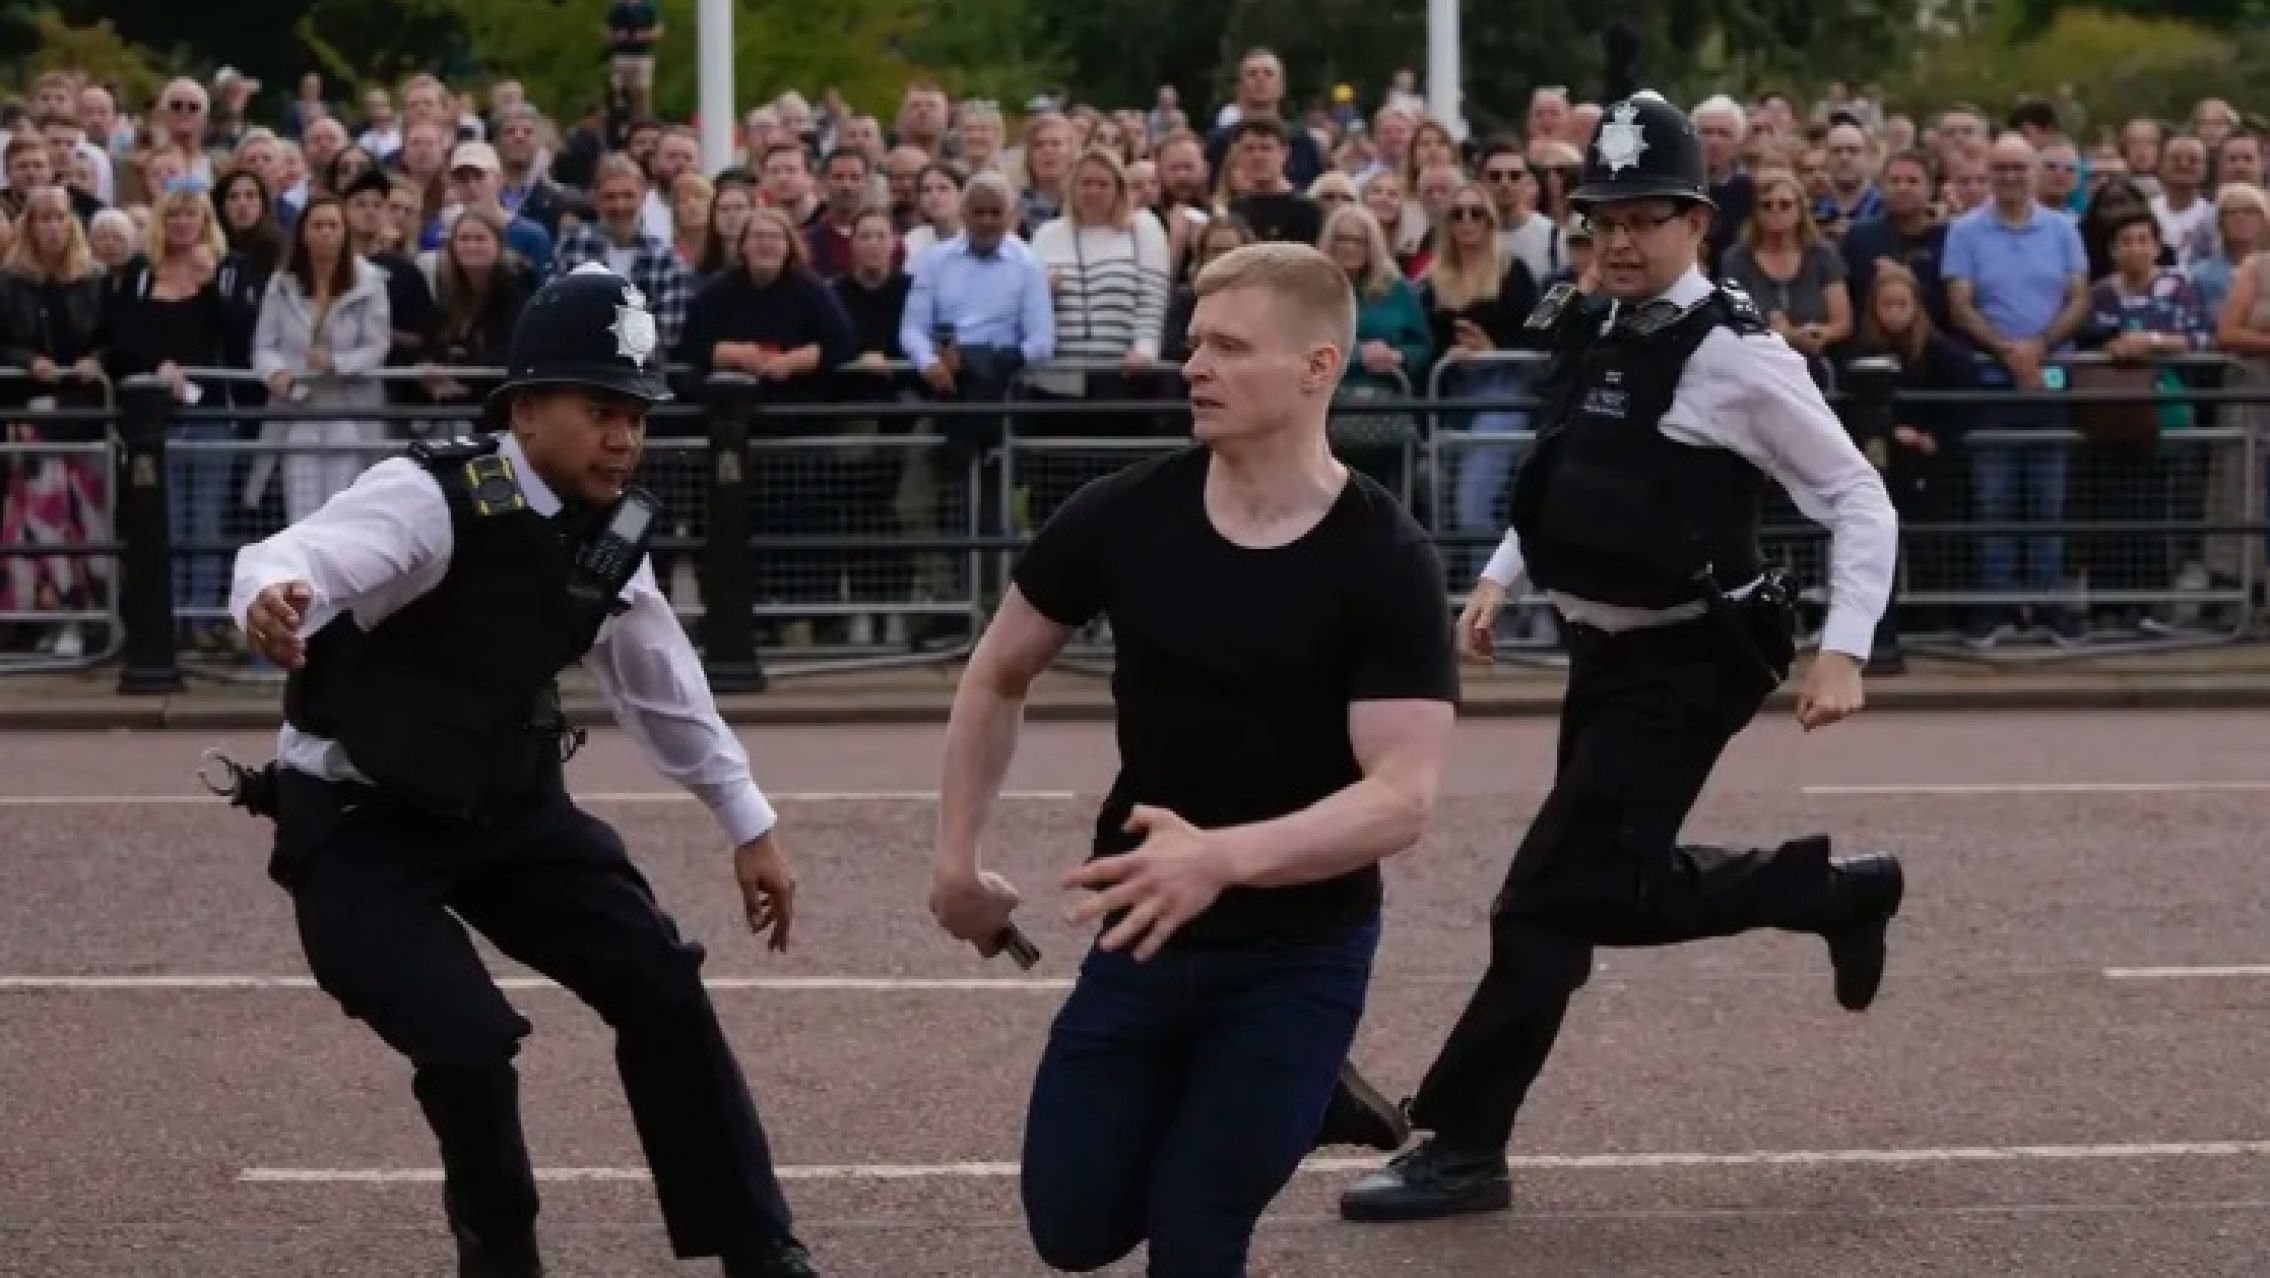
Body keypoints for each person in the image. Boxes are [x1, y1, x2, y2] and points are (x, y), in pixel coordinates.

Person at [1334, 91, 1908, 1224]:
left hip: (1686, 667)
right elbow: (1567, 479)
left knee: (1540, 902)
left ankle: (1463, 1143)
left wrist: (1844, 652)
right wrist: (1501, 574)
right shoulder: (1593, 326)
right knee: (1604, 886)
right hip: (1599, 659)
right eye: (1601, 218)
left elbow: (1856, 496)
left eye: (1646, 217)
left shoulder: (1739, 358)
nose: (1618, 240)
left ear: (1696, 223)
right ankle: (1830, 895)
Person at [227, 262, 823, 1278]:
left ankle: (756, 1248)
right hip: (359, 826)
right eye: (601, 410)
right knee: (466, 1048)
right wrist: (270, 599)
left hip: (509, 814)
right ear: (528, 406)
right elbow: (297, 557)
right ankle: (500, 1258)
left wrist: (748, 822)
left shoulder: (614, 536)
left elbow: (661, 689)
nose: (625, 438)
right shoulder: (428, 498)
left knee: (660, 985)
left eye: (636, 415)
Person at [927, 240, 1461, 1276]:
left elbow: (1400, 800)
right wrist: (957, 859)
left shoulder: (1383, 559)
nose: (1192, 366)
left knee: (1195, 1231)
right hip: (1140, 931)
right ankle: (1307, 1104)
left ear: (1316, 368)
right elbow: (995, 673)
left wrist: (1217, 858)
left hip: (1298, 953)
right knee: (1071, 1230)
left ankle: (1287, 1089)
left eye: (1226, 346)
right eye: (1192, 342)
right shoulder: (1124, 515)